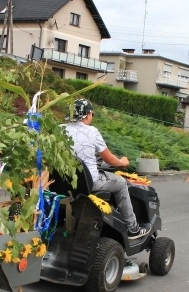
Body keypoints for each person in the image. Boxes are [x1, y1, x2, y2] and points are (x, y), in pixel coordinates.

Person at [62, 99, 149, 239]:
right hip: (89, 182)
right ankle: (133, 229)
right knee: (120, 183)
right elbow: (109, 159)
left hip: (64, 181)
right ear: (88, 115)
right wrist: (122, 162)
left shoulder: (61, 129)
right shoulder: (92, 132)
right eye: (92, 114)